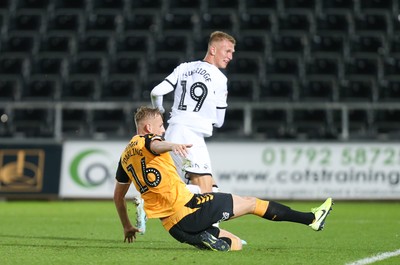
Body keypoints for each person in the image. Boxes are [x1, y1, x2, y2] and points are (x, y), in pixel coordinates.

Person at [113, 106, 334, 251]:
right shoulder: (149, 140)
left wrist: (126, 226)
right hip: (189, 209)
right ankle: (311, 219)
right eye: (161, 126)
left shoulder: (125, 156)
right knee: (251, 203)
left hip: (174, 228)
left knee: (235, 244)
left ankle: (206, 239)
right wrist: (172, 145)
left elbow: (118, 196)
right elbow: (155, 144)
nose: (164, 130)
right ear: (148, 128)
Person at [150, 30, 236, 193]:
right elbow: (219, 122)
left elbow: (156, 92)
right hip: (190, 139)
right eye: (227, 51)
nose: (230, 56)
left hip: (173, 133)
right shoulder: (220, 79)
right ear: (213, 50)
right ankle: (153, 199)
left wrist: (159, 111)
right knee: (205, 191)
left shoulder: (184, 68)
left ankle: (211, 219)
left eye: (232, 52)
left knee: (211, 188)